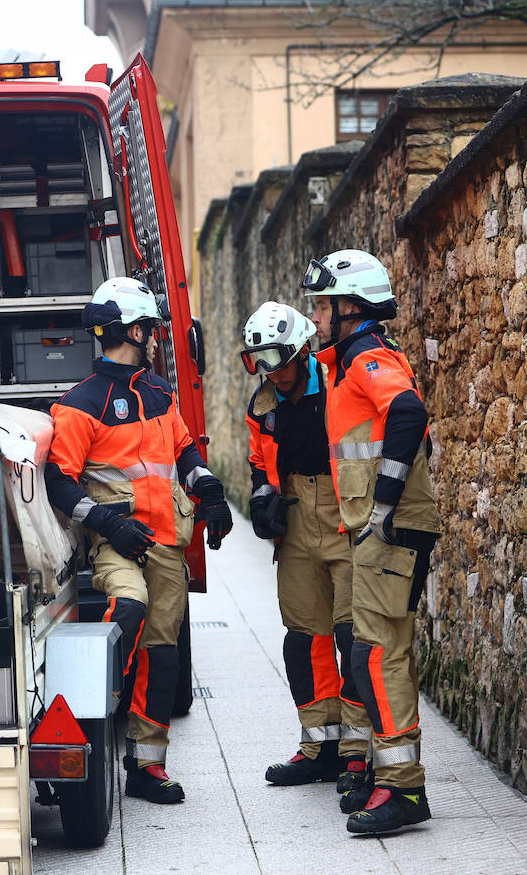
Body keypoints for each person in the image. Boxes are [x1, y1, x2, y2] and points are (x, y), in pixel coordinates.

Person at [46, 276, 234, 805]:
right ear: (132, 330)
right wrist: (108, 525)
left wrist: (212, 495)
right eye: (149, 329)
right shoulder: (79, 404)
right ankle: (87, 716)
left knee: (164, 653)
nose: (154, 338)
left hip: (167, 543)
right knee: (129, 608)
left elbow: (185, 456)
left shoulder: (159, 394)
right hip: (117, 545)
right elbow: (60, 481)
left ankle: (147, 766)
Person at [301, 249, 441, 834]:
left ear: (350, 307)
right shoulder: (348, 359)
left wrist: (382, 503)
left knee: (379, 653)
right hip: (380, 526)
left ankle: (404, 792)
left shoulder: (369, 355)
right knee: (373, 650)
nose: (316, 318)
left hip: (391, 525)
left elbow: (408, 412)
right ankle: (386, 779)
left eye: (323, 306)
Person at [240, 301, 371, 792]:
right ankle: (320, 746)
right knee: (304, 637)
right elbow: (259, 462)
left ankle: (358, 752)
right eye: (261, 364)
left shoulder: (339, 384)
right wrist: (262, 500)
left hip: (345, 515)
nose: (271, 374)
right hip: (296, 520)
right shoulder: (264, 405)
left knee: (353, 636)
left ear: (301, 351)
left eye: (277, 362)